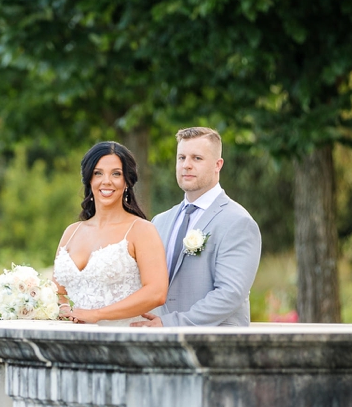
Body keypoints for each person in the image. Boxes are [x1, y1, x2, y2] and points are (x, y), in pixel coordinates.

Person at [131, 127, 261, 327]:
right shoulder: (160, 221)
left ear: (218, 165)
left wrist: (170, 323)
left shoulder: (238, 222)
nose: (186, 165)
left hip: (213, 347)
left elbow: (229, 295)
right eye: (181, 158)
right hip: (159, 345)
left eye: (197, 158)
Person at [52, 141, 168, 325]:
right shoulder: (71, 232)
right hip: (72, 342)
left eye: (116, 174)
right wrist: (64, 308)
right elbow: (56, 292)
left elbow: (156, 293)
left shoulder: (141, 230)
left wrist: (97, 314)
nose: (106, 181)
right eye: (98, 173)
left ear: (127, 182)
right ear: (89, 179)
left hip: (121, 340)